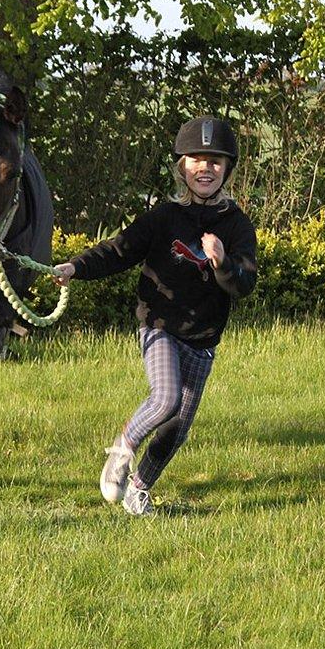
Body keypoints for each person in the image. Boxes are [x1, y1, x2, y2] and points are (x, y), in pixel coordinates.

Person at [53, 117, 257, 516]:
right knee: (165, 398)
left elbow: (244, 284)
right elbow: (119, 250)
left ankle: (139, 490)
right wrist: (76, 267)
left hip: (203, 339)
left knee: (176, 429)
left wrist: (222, 263)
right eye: (196, 160)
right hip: (159, 326)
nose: (205, 168)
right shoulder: (163, 217)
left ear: (227, 169)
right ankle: (122, 449)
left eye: (215, 161)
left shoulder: (237, 226)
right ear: (182, 167)